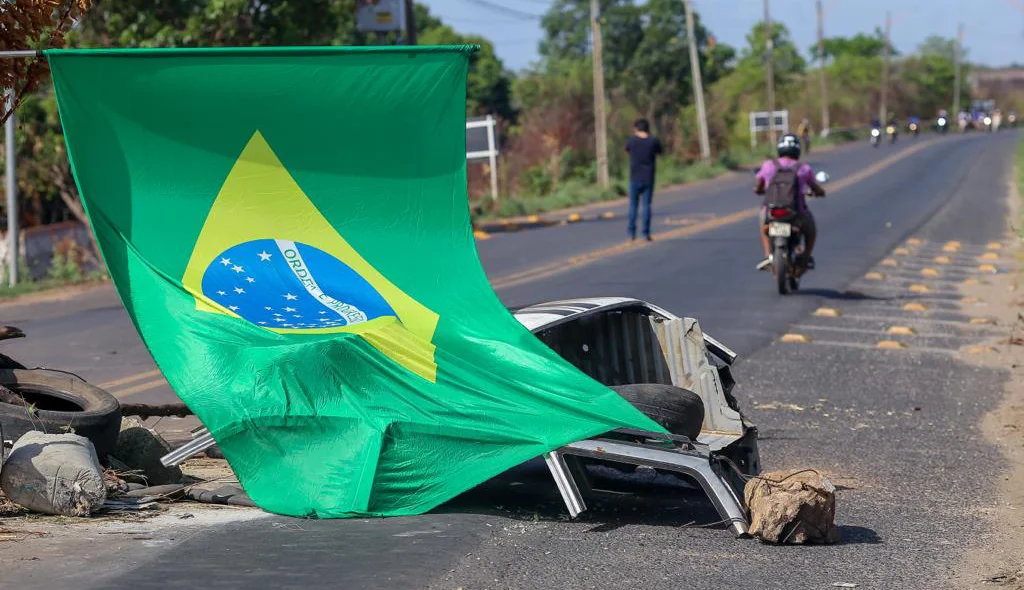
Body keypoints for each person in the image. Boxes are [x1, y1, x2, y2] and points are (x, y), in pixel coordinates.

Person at [754, 134, 826, 270]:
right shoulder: (803, 169)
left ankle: (768, 255)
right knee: (811, 231)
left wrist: (758, 190)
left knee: (764, 228)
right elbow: (815, 187)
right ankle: (805, 257)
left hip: (771, 211)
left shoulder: (768, 165)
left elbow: (758, 185)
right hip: (796, 212)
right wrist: (820, 192)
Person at [625, 119, 663, 241]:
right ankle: (646, 233)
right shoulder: (653, 141)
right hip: (648, 177)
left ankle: (632, 233)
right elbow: (659, 152)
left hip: (634, 177)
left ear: (636, 128)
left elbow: (627, 150)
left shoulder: (632, 140)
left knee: (633, 206)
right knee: (646, 205)